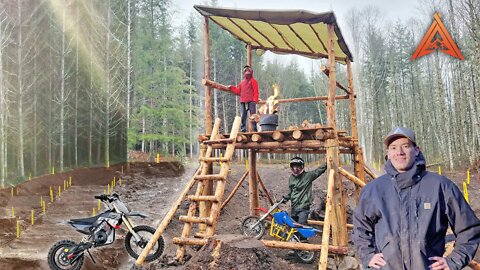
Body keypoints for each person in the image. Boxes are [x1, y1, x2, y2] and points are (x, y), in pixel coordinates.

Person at [352, 127, 480, 270]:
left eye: (405, 146)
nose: (399, 152)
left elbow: (469, 228)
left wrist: (453, 261)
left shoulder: (440, 186)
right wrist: (368, 256)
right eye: (393, 148)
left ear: (416, 150)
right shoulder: (373, 190)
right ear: (388, 153)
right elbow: (360, 229)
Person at [283, 156, 327, 226]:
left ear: (302, 166)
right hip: (294, 207)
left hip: (303, 208)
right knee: (293, 226)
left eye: (298, 166)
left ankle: (302, 237)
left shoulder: (308, 176)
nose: (295, 169)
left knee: (302, 225)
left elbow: (319, 170)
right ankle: (295, 237)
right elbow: (291, 191)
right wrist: (286, 198)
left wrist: (327, 162)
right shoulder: (291, 178)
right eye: (294, 166)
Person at [229, 65, 259, 132]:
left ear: (251, 72)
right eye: (246, 71)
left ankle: (254, 130)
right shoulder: (242, 83)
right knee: (243, 116)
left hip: (251, 101)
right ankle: (243, 130)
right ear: (244, 73)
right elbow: (238, 91)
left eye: (249, 71)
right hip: (243, 102)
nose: (247, 72)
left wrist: (255, 100)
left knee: (253, 116)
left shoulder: (253, 81)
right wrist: (232, 88)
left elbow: (256, 91)